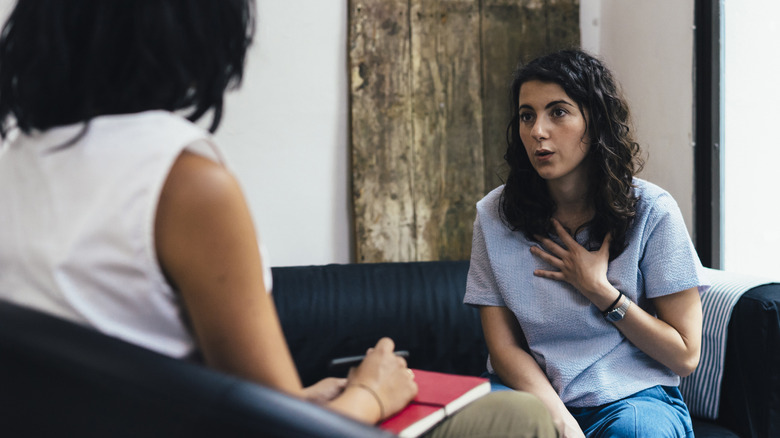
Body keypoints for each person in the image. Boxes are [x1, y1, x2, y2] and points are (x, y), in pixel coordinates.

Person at [0, 1, 556, 436]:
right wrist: (372, 392)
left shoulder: (17, 158)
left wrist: (298, 397)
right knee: (519, 419)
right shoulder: (183, 182)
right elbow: (274, 431)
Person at [463, 49, 707, 438]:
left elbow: (685, 355)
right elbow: (504, 349)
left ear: (595, 121)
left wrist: (600, 292)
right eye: (527, 116)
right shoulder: (494, 214)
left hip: (633, 397)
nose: (538, 131)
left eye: (557, 112)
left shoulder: (653, 211)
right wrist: (559, 420)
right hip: (528, 395)